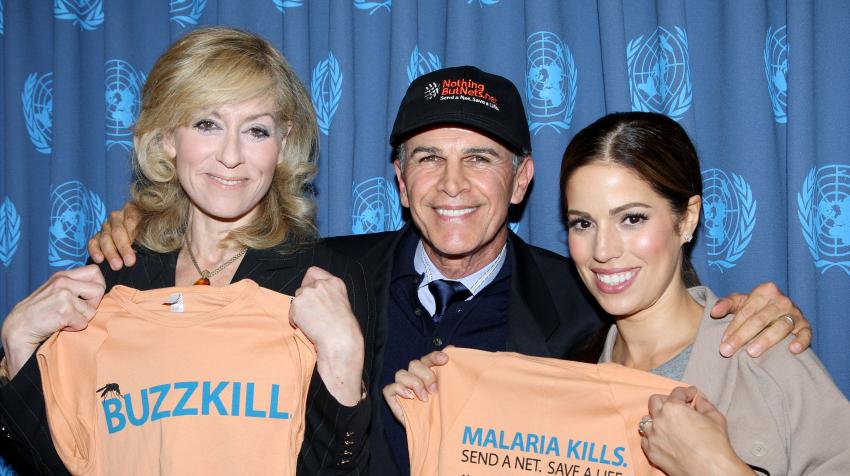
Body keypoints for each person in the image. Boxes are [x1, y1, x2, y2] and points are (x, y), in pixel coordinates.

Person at [87, 67, 811, 475]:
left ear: (522, 179)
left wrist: (755, 314)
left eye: (482, 158)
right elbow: (193, 313)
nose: (453, 184)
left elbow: (671, 322)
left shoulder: (591, 300)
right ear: (400, 182)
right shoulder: (315, 273)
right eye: (429, 157)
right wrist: (142, 230)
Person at [0, 27, 374, 475]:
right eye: (207, 124)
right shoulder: (117, 273)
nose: (231, 156)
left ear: (283, 143)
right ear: (166, 138)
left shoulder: (328, 282)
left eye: (256, 130)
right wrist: (19, 344)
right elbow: (63, 464)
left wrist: (344, 359)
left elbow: (336, 468)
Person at [559, 112, 850, 475]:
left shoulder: (766, 357)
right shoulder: (568, 380)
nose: (602, 250)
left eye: (632, 218)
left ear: (687, 219)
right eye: (583, 223)